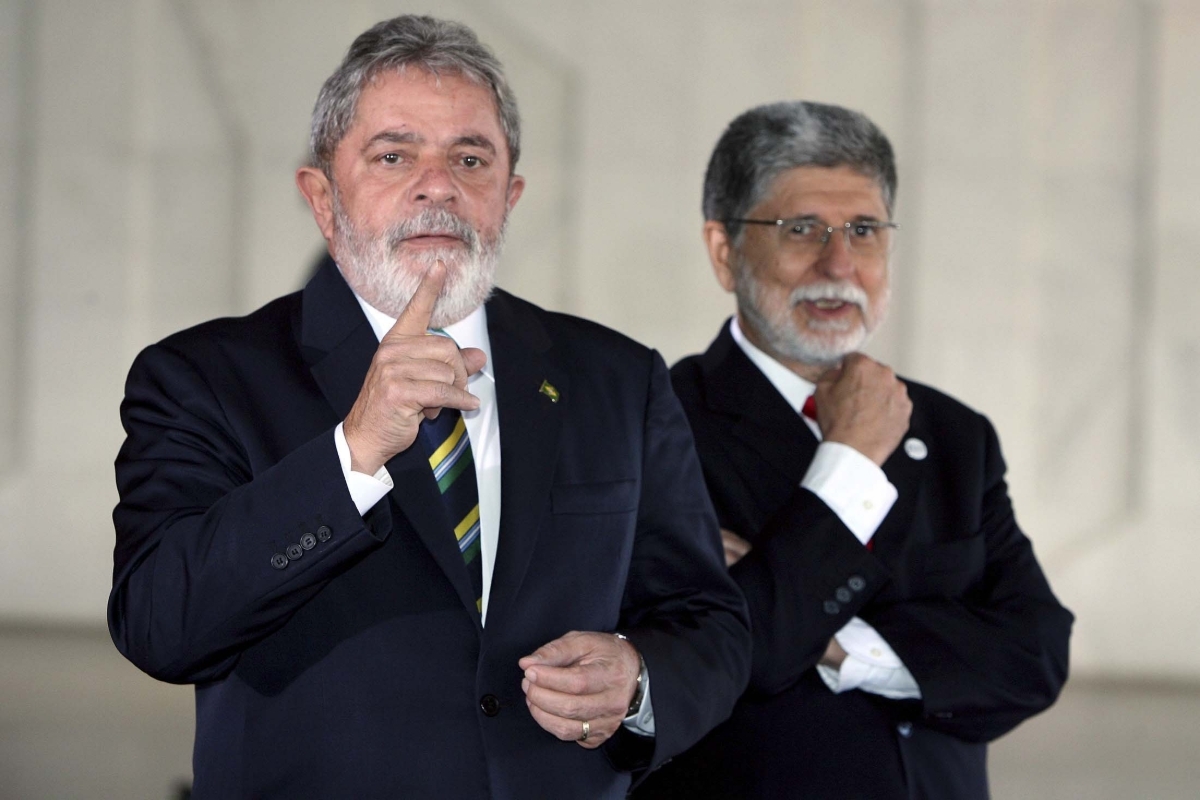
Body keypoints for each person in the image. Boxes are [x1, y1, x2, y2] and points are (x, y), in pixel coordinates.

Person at [108, 16, 750, 799]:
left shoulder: (618, 379)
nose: (438, 185)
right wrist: (353, 453)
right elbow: (161, 627)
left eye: (470, 158)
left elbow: (711, 624)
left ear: (509, 196)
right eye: (394, 155)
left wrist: (641, 680)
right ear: (322, 196)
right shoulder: (202, 378)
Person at [635, 101, 1074, 799]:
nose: (839, 263)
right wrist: (851, 462)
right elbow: (725, 659)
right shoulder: (649, 425)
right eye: (801, 228)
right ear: (724, 251)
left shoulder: (955, 434)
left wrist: (839, 644)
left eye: (863, 230)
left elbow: (1037, 657)